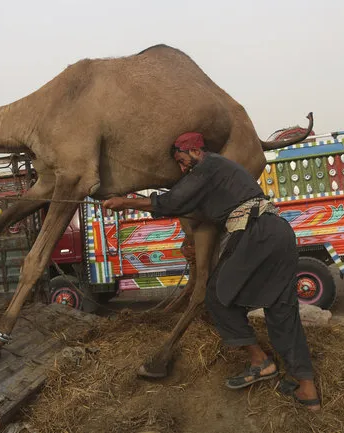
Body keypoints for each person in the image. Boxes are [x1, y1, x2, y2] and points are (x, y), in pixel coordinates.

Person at [102, 132, 321, 410]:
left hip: (256, 234)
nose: (183, 169)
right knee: (281, 310)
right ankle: (307, 389)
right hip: (278, 231)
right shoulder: (222, 177)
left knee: (216, 297)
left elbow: (172, 202)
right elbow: (202, 215)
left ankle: (260, 362)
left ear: (194, 150)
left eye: (182, 161)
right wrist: (189, 241)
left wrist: (125, 202)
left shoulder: (208, 165)